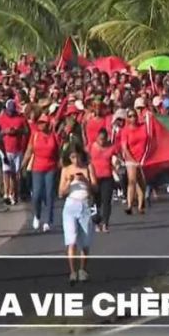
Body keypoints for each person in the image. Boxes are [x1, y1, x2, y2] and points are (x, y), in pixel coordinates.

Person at [58, 146, 96, 285]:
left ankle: (82, 270)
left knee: (85, 242)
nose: (75, 160)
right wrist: (69, 181)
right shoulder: (66, 170)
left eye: (77, 156)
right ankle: (73, 272)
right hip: (70, 206)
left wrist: (85, 180)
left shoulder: (88, 167)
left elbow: (95, 188)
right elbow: (61, 193)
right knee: (71, 241)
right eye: (72, 157)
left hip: (84, 205)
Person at [23, 114, 61, 232]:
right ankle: (37, 215)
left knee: (49, 195)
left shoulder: (54, 136)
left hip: (51, 168)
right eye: (39, 122)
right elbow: (29, 151)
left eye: (43, 122)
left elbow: (58, 153)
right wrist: (22, 165)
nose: (41, 125)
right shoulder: (35, 135)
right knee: (37, 194)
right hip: (37, 168)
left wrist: (60, 167)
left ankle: (48, 220)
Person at [0, 99, 28, 206]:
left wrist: (17, 131)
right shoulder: (0, 119)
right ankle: (6, 193)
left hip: (17, 150)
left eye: (12, 111)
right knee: (6, 171)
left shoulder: (21, 118)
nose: (10, 112)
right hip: (5, 149)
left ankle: (13, 194)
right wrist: (5, 131)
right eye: (9, 111)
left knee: (15, 174)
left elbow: (27, 131)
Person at [120, 107, 150, 214]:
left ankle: (141, 205)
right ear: (127, 118)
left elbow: (150, 136)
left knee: (141, 182)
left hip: (143, 158)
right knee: (132, 180)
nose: (133, 118)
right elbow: (124, 147)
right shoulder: (125, 130)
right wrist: (133, 159)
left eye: (134, 116)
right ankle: (129, 205)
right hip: (131, 158)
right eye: (130, 116)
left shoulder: (143, 127)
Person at [89, 128, 118, 232]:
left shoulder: (111, 147)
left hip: (107, 177)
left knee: (106, 201)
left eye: (104, 139)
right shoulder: (91, 147)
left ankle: (105, 223)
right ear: (97, 138)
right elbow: (87, 162)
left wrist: (117, 164)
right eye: (100, 139)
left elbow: (117, 158)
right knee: (96, 201)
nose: (102, 141)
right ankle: (96, 223)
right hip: (95, 177)